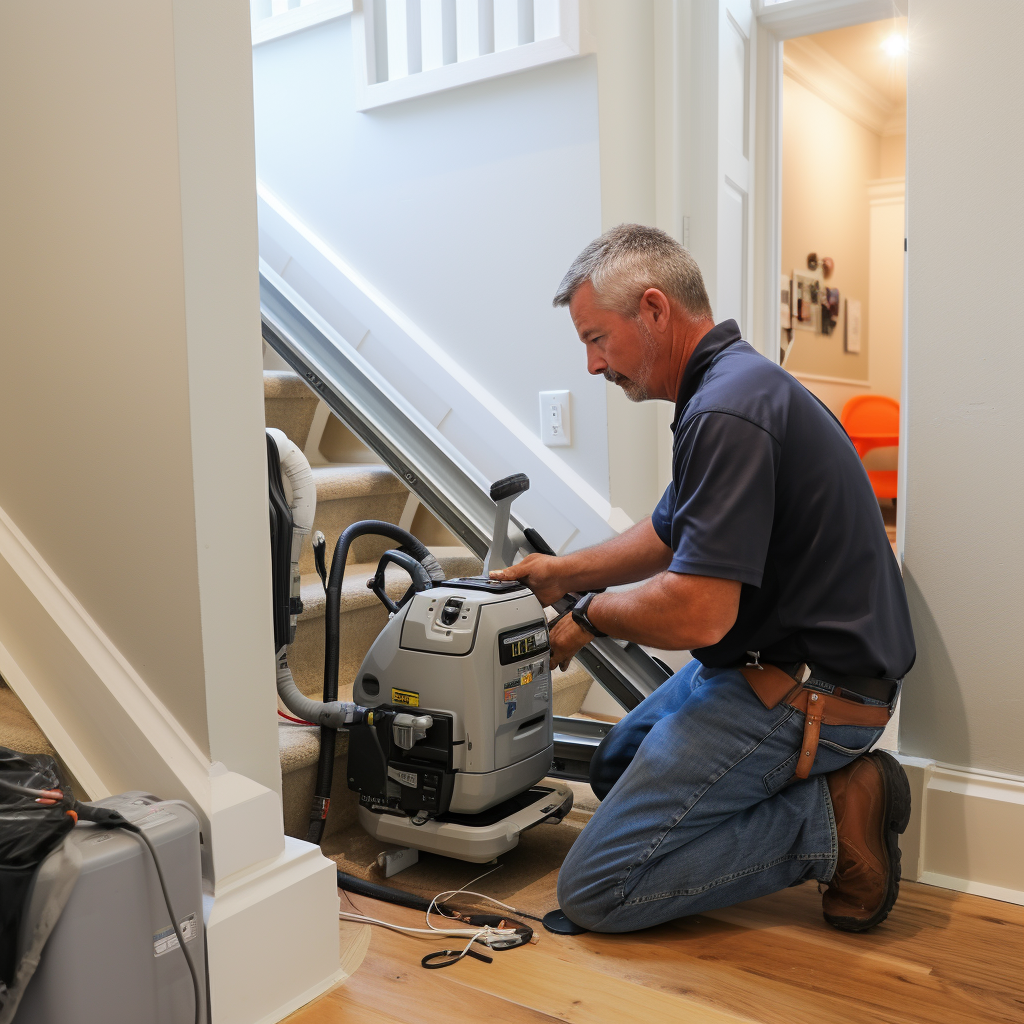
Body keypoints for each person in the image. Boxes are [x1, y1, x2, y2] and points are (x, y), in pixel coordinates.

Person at [490, 225, 915, 934]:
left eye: (597, 339)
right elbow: (665, 535)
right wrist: (559, 572)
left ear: (654, 310)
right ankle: (770, 800)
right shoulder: (727, 388)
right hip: (765, 662)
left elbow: (698, 614)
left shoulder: (728, 409)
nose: (593, 365)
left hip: (818, 690)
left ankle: (829, 822)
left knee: (597, 890)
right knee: (616, 767)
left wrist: (590, 615)